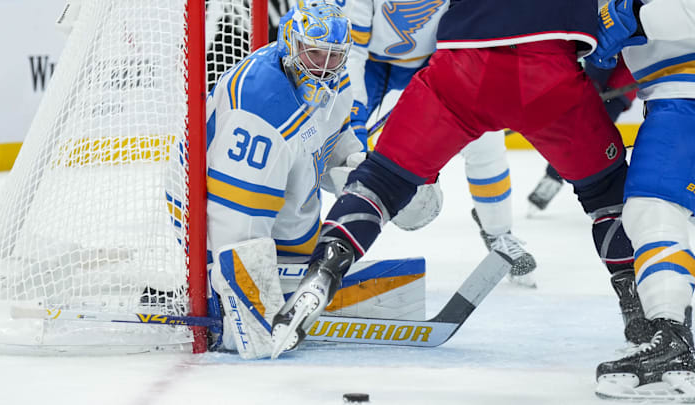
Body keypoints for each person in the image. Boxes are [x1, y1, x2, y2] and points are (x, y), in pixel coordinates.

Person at [271, 0, 645, 359]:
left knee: (380, 180)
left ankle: (324, 270)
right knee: (607, 193)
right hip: (547, 73)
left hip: (461, 65)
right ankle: (640, 303)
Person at [204, 0, 361, 359]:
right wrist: (244, 315)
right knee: (254, 336)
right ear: (291, 45)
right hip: (219, 225)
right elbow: (237, 224)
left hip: (283, 220)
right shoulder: (260, 113)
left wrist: (354, 163)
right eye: (315, 54)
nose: (323, 68)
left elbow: (331, 134)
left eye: (333, 56)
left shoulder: (336, 78)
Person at [341, 0, 536, 286]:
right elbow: (351, 50)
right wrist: (353, 112)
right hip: (369, 64)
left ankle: (499, 233)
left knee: (485, 138)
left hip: (435, 59)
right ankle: (316, 240)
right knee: (335, 143)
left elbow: (467, 32)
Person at [586, 0, 695, 399]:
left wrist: (636, 16)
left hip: (685, 99)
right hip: (674, 94)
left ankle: (671, 338)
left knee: (653, 211)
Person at [527, 58, 638, 213]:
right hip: (599, 68)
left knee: (597, 130)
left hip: (625, 80)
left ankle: (553, 180)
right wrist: (593, 84)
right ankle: (551, 179)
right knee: (576, 129)